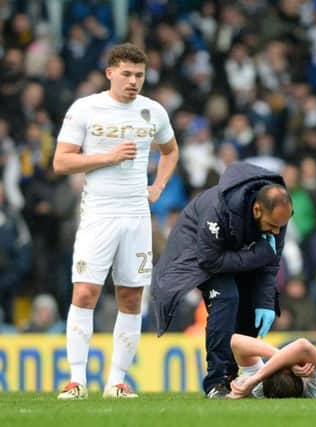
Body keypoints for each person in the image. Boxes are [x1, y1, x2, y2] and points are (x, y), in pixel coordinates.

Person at [53, 43, 179, 400]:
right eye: (126, 74)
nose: (133, 81)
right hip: (99, 213)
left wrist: (158, 186)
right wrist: (107, 157)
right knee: (85, 291)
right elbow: (61, 162)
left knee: (131, 297)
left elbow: (171, 151)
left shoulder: (152, 112)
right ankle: (77, 381)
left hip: (137, 215)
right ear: (110, 73)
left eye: (139, 75)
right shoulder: (87, 108)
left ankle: (117, 382)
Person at [151, 161, 293, 399]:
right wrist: (255, 256)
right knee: (226, 297)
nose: (276, 233)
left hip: (236, 251)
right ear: (257, 210)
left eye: (281, 227)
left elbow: (270, 264)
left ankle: (236, 375)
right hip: (198, 253)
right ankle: (216, 381)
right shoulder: (217, 211)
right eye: (272, 227)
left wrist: (266, 302)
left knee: (249, 305)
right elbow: (210, 261)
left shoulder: (277, 213)